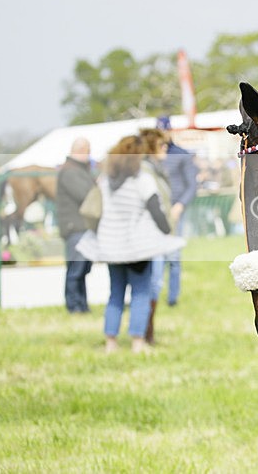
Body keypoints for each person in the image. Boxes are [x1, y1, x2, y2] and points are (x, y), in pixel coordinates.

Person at [77, 135, 185, 354]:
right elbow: (156, 210)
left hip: (110, 246)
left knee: (115, 294)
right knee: (141, 294)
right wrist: (166, 231)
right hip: (137, 247)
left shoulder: (106, 179)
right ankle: (137, 342)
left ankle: (110, 343)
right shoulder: (141, 179)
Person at [157, 116, 198, 306]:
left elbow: (191, 185)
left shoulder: (182, 154)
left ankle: (172, 298)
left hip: (174, 211)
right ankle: (153, 295)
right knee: (155, 255)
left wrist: (180, 205)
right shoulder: (151, 156)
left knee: (173, 256)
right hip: (154, 211)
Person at [139, 128, 173, 345]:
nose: (166, 149)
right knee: (151, 284)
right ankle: (144, 333)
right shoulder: (144, 170)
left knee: (155, 283)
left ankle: (146, 332)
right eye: (161, 145)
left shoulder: (155, 168)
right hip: (149, 234)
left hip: (157, 234)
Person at [56, 137, 96, 314]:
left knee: (82, 270)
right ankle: (74, 307)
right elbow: (85, 195)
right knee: (75, 270)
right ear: (83, 150)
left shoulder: (78, 170)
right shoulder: (71, 172)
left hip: (82, 228)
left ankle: (82, 306)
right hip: (76, 228)